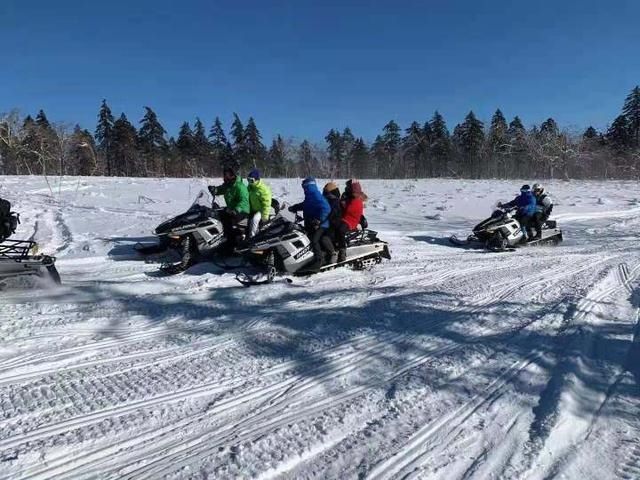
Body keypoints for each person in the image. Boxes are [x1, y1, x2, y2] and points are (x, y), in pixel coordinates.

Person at [288, 177, 331, 271]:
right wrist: (294, 207)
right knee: (305, 236)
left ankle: (319, 260)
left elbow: (326, 208)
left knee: (314, 239)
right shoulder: (310, 196)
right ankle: (307, 258)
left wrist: (319, 220)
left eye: (304, 187)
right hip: (312, 223)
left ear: (308, 186)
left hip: (322, 224)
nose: (303, 189)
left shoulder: (316, 195)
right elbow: (305, 205)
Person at [208, 166, 250, 248]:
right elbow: (221, 189)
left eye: (228, 174)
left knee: (229, 221)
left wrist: (236, 210)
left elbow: (244, 201)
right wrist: (214, 189)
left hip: (242, 211)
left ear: (233, 175)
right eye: (225, 174)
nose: (225, 176)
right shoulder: (228, 185)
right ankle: (217, 237)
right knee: (217, 215)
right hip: (231, 209)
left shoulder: (240, 186)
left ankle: (231, 245)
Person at [336, 180, 367, 262]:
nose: (346, 188)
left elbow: (350, 209)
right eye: (347, 187)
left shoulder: (357, 199)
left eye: (348, 187)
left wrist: (343, 204)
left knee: (340, 230)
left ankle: (342, 251)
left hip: (351, 220)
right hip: (345, 217)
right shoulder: (347, 195)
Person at [246, 168, 272, 239]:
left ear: (257, 180)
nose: (249, 182)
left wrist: (265, 216)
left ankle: (252, 237)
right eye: (248, 180)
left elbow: (266, 203)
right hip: (252, 209)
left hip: (261, 210)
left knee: (255, 219)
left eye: (251, 180)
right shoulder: (250, 187)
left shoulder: (263, 189)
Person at [321, 182, 342, 264]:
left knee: (323, 236)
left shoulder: (334, 201)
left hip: (334, 224)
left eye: (326, 192)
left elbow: (331, 214)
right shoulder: (329, 199)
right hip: (329, 222)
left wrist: (323, 220)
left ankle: (333, 253)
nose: (324, 193)